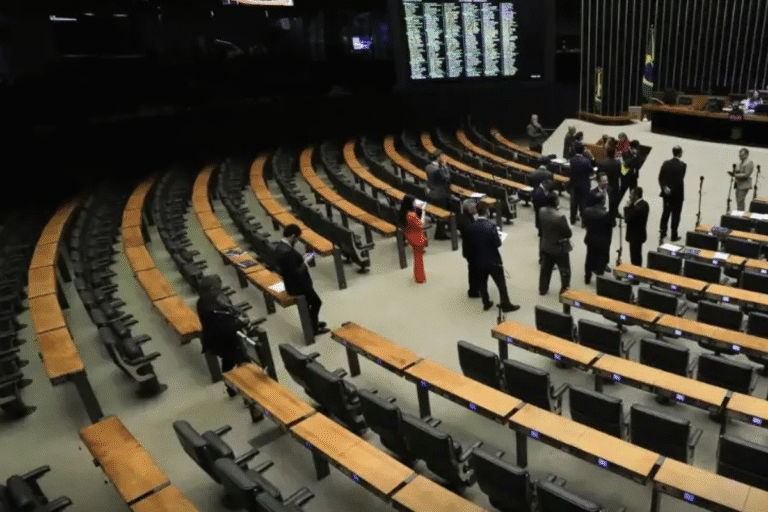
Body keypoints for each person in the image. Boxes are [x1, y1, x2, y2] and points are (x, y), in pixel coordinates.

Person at [196, 276, 248, 397]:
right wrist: (240, 322)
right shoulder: (212, 309)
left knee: (228, 362)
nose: (221, 292)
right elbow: (226, 329)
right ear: (212, 290)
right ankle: (239, 388)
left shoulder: (202, 301)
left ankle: (231, 388)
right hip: (223, 341)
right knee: (235, 361)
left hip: (216, 338)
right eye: (218, 289)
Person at [465, 202, 520, 312]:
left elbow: (469, 245)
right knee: (501, 284)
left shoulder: (470, 227)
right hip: (493, 260)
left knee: (482, 283)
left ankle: (486, 303)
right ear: (487, 212)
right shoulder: (491, 227)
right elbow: (497, 244)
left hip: (478, 260)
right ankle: (505, 305)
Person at [274, 224, 329, 335]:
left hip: (292, 284)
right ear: (293, 236)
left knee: (312, 303)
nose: (297, 241)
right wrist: (305, 262)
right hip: (299, 286)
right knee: (316, 303)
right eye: (297, 238)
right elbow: (297, 273)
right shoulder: (287, 252)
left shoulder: (280, 247)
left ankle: (313, 323)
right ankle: (313, 329)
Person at [538, 193, 572, 296]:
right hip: (559, 248)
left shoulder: (541, 211)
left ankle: (543, 289)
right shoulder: (560, 216)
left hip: (545, 244)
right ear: (555, 202)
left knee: (545, 270)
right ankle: (564, 289)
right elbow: (568, 233)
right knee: (565, 270)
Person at [582, 191, 612, 284]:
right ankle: (599, 278)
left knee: (589, 258)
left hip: (590, 238)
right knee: (601, 259)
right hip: (602, 241)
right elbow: (611, 227)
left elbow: (585, 224)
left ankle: (587, 277)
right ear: (602, 202)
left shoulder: (587, 211)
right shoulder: (606, 214)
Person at [658, 146, 687, 242]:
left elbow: (660, 177)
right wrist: (672, 189)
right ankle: (674, 234)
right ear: (680, 153)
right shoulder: (683, 165)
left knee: (665, 212)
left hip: (667, 194)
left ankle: (663, 232)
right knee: (676, 214)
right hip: (677, 195)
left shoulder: (665, 163)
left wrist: (665, 187)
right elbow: (679, 180)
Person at [399, 194, 428, 283]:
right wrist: (422, 215)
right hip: (416, 237)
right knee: (418, 258)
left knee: (417, 257)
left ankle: (418, 275)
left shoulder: (403, 212)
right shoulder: (412, 215)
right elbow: (420, 225)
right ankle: (419, 277)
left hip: (410, 235)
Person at [425, 152, 452, 240]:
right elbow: (447, 177)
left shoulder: (428, 166)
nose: (443, 158)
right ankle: (440, 234)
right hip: (440, 193)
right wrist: (445, 166)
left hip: (432, 191)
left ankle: (442, 230)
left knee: (440, 213)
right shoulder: (438, 170)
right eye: (441, 157)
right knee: (442, 214)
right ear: (438, 158)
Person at [623, 187, 649, 266]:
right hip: (640, 235)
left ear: (636, 196)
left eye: (631, 194)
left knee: (634, 257)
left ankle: (635, 273)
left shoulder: (636, 209)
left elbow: (627, 219)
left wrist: (626, 207)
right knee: (638, 255)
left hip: (634, 236)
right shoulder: (645, 204)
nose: (630, 196)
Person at [569, 143, 594, 225]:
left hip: (574, 184)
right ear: (583, 150)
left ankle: (572, 218)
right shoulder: (586, 161)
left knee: (574, 202)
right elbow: (591, 171)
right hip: (584, 184)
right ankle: (584, 220)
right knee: (583, 202)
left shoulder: (572, 160)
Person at [459, 199, 479, 298]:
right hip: (471, 250)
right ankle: (473, 291)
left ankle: (474, 289)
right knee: (474, 270)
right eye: (475, 208)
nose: (476, 209)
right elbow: (473, 236)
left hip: (468, 248)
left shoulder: (465, 217)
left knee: (473, 270)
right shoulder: (467, 222)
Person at [597, 147, 621, 218]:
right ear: (614, 154)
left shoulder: (603, 163)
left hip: (605, 185)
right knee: (614, 202)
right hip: (615, 185)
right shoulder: (618, 163)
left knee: (605, 202)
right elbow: (621, 173)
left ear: (606, 153)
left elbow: (598, 172)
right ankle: (614, 215)